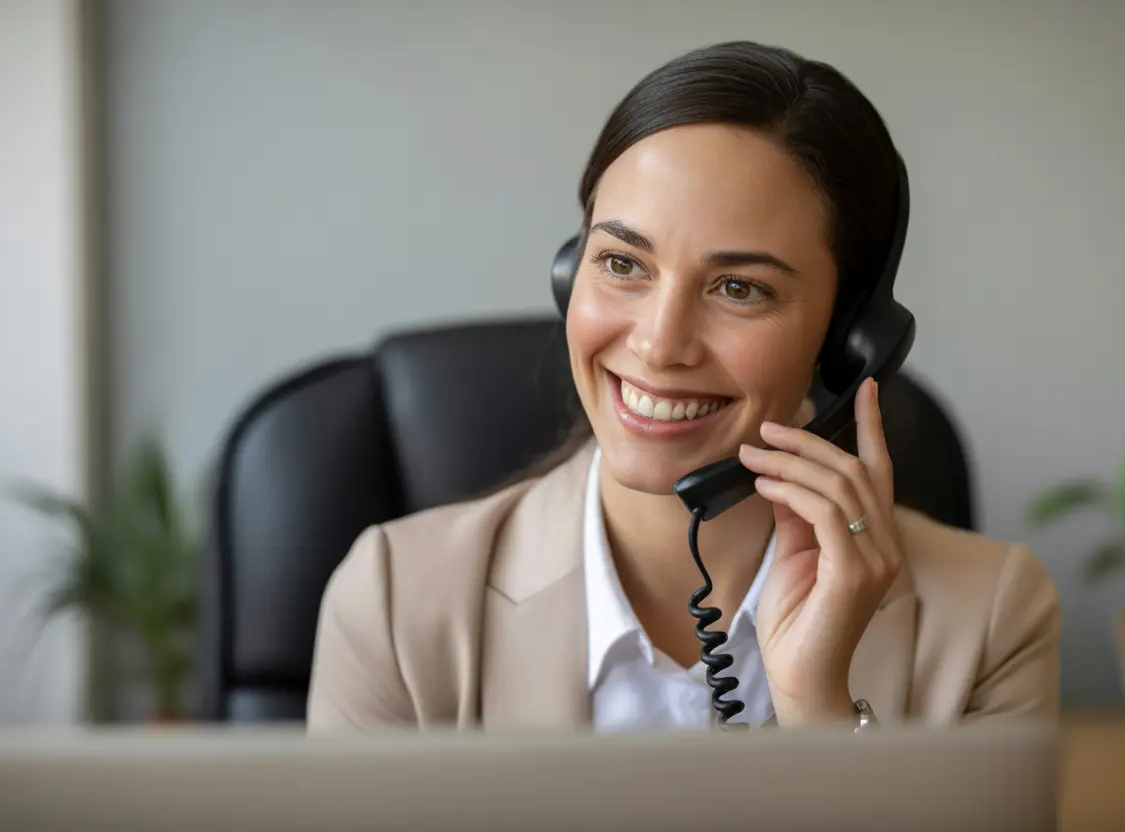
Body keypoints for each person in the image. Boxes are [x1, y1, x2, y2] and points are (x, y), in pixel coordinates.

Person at [307, 41, 1060, 732]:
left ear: (846, 338)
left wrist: (821, 711)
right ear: (572, 276)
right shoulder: (394, 602)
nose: (659, 344)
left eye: (738, 287)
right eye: (623, 264)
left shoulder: (992, 620)